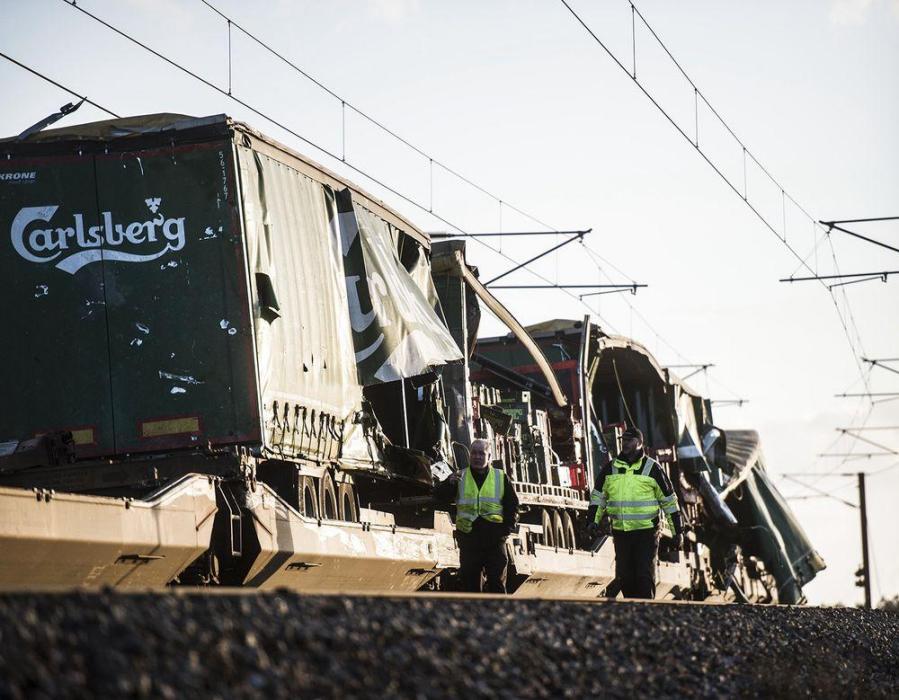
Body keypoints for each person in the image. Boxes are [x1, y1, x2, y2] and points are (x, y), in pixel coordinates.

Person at [586, 427, 683, 599]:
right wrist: (592, 521)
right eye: (623, 440)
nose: (624, 444)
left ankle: (646, 610)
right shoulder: (611, 468)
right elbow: (598, 498)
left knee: (644, 576)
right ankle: (631, 610)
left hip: (647, 532)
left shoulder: (653, 468)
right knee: (625, 577)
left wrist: (677, 531)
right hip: (621, 532)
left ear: (639, 444)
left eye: (629, 441)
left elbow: (669, 501)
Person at [435, 438, 519, 593]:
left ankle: (498, 615)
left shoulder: (500, 477)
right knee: (471, 585)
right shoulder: (459, 476)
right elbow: (440, 498)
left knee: (497, 583)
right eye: (474, 453)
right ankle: (474, 616)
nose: (477, 457)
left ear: (489, 457)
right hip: (469, 539)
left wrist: (505, 531)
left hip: (494, 540)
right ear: (469, 455)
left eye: (482, 453)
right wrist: (448, 484)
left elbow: (512, 506)